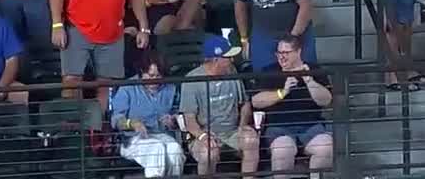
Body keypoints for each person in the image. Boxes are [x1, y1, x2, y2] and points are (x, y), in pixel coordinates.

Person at [252, 34, 333, 175]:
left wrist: (309, 80)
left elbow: (326, 100)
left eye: (286, 53)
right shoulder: (270, 71)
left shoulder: (314, 70)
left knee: (326, 147)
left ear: (298, 52)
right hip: (279, 127)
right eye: (279, 53)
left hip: (310, 125)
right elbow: (256, 101)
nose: (281, 57)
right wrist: (282, 92)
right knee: (283, 149)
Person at [179, 35, 259, 177]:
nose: (232, 60)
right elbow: (189, 121)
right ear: (216, 60)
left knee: (251, 139)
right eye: (228, 57)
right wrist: (203, 137)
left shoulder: (232, 72)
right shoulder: (192, 80)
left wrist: (242, 125)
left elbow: (245, 104)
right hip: (203, 134)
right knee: (208, 153)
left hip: (232, 132)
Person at [111, 51, 185, 178]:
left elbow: (177, 113)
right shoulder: (127, 88)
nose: (155, 80)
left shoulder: (170, 88)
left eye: (158, 76)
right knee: (156, 148)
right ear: (141, 72)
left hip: (162, 134)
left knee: (175, 149)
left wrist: (173, 120)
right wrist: (132, 123)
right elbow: (116, 120)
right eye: (150, 76)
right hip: (133, 139)